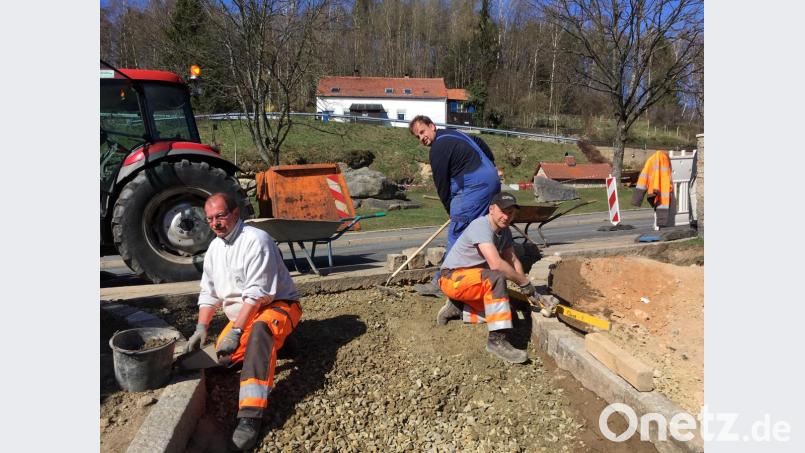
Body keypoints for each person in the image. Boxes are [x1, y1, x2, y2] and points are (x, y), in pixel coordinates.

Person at [185, 193, 302, 451]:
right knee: (221, 361)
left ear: (236, 213)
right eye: (210, 219)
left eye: (220, 216)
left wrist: (237, 330)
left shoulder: (256, 241)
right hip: (245, 315)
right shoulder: (215, 249)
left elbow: (257, 294)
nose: (215, 223)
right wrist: (201, 328)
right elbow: (209, 293)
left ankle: (250, 416)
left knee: (261, 332)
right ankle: (283, 344)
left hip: (277, 306)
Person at [435, 192, 536, 364]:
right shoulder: (480, 226)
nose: (506, 217)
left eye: (511, 213)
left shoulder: (504, 231)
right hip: (452, 279)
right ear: (491, 209)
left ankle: (459, 307)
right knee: (496, 278)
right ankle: (496, 341)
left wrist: (527, 287)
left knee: (509, 315)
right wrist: (523, 283)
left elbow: (512, 259)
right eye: (503, 211)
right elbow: (496, 264)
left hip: (472, 280)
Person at [409, 115, 501, 297]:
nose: (421, 138)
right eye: (417, 136)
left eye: (422, 131)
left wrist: (450, 211)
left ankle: (442, 283)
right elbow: (479, 141)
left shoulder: (438, 148)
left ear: (432, 126)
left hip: (474, 185)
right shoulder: (456, 134)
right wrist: (491, 164)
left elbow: (442, 185)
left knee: (457, 233)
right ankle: (482, 274)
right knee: (483, 228)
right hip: (492, 180)